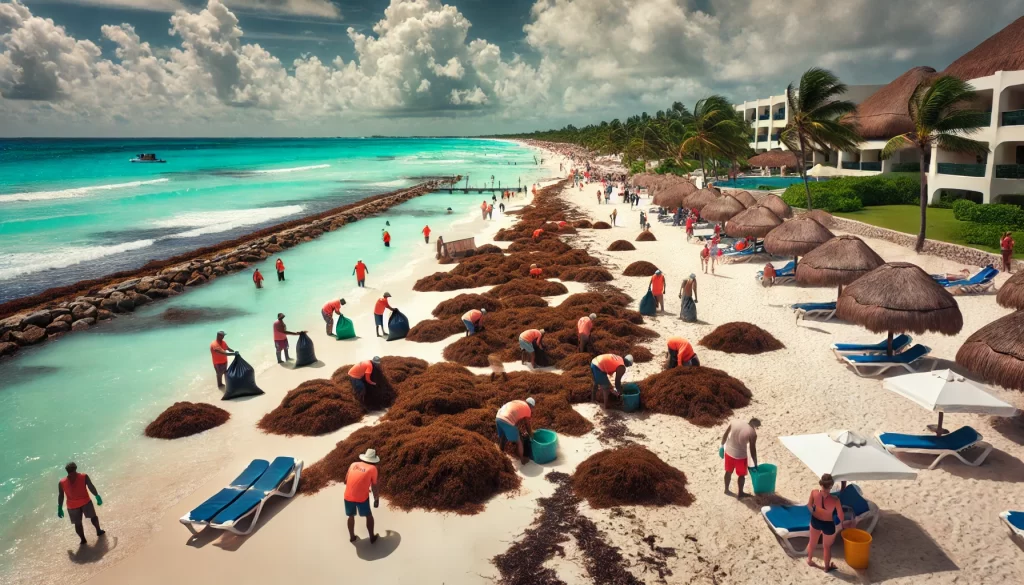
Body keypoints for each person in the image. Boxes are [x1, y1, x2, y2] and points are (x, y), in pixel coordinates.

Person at [57, 462, 105, 545]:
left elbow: (61, 496)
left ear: (67, 471)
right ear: (75, 468)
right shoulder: (83, 476)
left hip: (72, 506)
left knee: (77, 524)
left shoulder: (62, 482)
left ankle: (83, 539)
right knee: (93, 517)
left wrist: (59, 507)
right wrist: (97, 496)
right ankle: (98, 531)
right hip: (86, 502)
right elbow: (91, 487)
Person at [807, 474, 845, 573]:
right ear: (831, 486)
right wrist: (841, 523)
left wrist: (815, 511)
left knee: (812, 542)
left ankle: (809, 560)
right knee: (827, 547)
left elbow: (809, 506)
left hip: (815, 520)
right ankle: (826, 568)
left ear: (821, 483)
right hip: (828, 524)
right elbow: (841, 516)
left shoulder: (814, 493)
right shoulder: (835, 500)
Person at [344, 449, 381, 544]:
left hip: (348, 496)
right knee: (369, 516)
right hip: (361, 498)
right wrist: (376, 498)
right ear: (373, 460)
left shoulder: (353, 464)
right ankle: (372, 538)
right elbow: (374, 486)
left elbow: (346, 480)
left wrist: (361, 485)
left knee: (350, 516)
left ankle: (352, 538)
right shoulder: (373, 469)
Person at [720, 417, 760, 499]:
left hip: (729, 452)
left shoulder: (735, 422)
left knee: (728, 472)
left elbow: (725, 434)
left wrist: (721, 446)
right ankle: (740, 493)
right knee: (741, 475)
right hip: (740, 457)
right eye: (757, 427)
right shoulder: (752, 433)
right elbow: (753, 450)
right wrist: (755, 463)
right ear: (755, 426)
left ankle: (726, 489)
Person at [496, 397, 536, 464]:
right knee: (519, 442)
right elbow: (527, 425)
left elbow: (515, 415)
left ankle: (501, 453)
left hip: (498, 417)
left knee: (503, 436)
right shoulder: (528, 409)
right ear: (531, 406)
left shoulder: (518, 402)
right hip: (507, 420)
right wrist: (531, 435)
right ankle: (522, 459)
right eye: (532, 408)